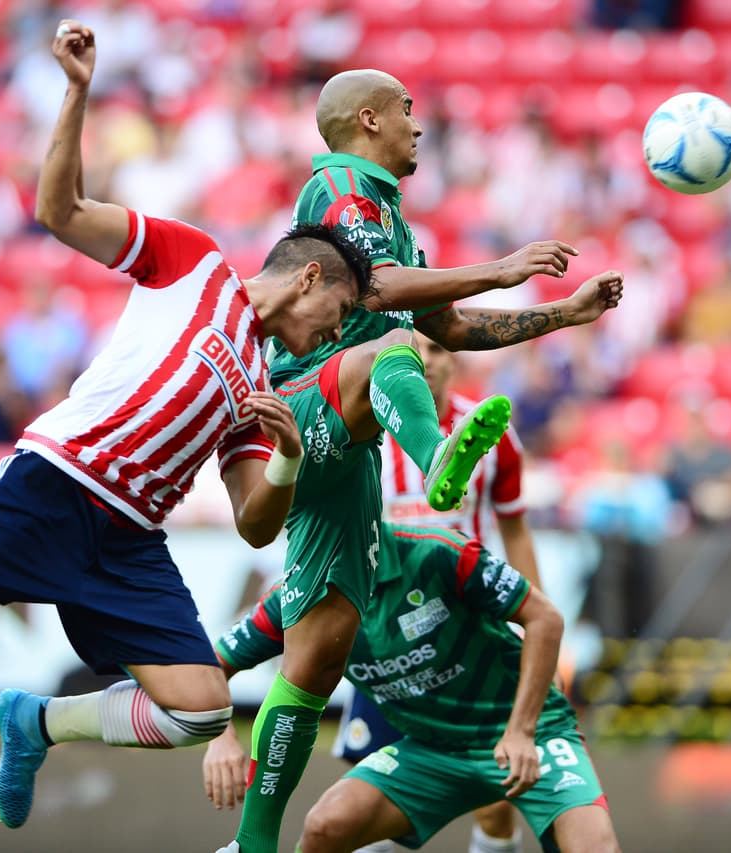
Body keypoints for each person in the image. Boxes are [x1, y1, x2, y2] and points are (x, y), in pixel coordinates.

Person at [0, 19, 372, 831]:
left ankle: (34, 720)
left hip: (126, 539)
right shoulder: (193, 259)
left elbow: (255, 524)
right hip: (51, 486)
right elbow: (60, 209)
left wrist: (291, 458)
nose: (333, 334)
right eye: (337, 313)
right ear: (307, 277)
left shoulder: (263, 388)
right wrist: (77, 92)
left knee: (198, 710)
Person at [225, 68, 625, 853]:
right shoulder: (342, 188)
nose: (420, 123)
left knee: (312, 653)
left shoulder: (390, 218)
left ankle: (243, 838)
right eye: (408, 110)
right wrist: (503, 266)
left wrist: (562, 314)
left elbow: (451, 329)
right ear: (368, 119)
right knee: (392, 349)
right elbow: (379, 295)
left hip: (348, 454)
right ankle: (436, 450)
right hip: (311, 400)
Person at [204, 522, 622, 853]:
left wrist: (522, 730)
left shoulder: (436, 550)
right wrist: (220, 740)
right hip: (431, 749)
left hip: (532, 734)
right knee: (325, 826)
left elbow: (546, 619)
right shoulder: (296, 596)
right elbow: (211, 668)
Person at [346, 333, 544, 853]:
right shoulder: (362, 435)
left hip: (473, 627)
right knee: (374, 802)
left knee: (497, 792)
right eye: (410, 354)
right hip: (390, 632)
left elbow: (516, 529)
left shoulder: (492, 432)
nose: (424, 363)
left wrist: (534, 613)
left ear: (452, 359)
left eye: (433, 351)